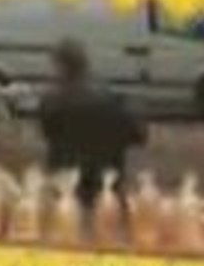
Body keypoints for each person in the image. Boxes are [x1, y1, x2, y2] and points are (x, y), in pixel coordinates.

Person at [40, 39, 147, 217]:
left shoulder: (51, 102)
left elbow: (48, 133)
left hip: (67, 183)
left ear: (61, 67)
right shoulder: (111, 99)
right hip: (106, 182)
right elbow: (139, 136)